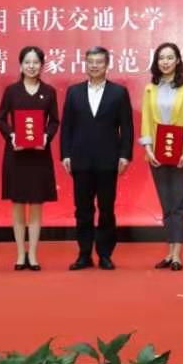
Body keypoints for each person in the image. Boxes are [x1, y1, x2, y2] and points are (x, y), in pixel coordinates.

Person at [60, 46, 134, 270]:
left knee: (106, 209)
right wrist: (65, 154)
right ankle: (84, 254)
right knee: (82, 210)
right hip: (80, 159)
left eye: (99, 62)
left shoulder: (118, 92)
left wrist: (125, 155)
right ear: (86, 64)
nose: (94, 65)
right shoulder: (74, 92)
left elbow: (127, 127)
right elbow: (67, 126)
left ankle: (105, 254)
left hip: (108, 160)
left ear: (107, 65)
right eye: (90, 61)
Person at [0, 46, 60, 271]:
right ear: (21, 65)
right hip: (16, 154)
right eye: (27, 62)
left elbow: (54, 121)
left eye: (36, 62)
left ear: (42, 65)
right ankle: (19, 253)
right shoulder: (11, 91)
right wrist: (12, 135)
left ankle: (32, 253)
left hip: (39, 155)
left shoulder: (49, 91)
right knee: (17, 204)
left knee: (36, 204)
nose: (31, 66)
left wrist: (46, 136)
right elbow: (1, 119)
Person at [140, 43, 183, 271]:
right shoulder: (150, 89)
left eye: (169, 57)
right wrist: (147, 148)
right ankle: (169, 251)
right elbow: (146, 119)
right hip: (157, 152)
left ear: (177, 61)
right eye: (161, 58)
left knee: (179, 204)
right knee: (166, 204)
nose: (165, 62)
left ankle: (177, 255)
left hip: (182, 152)